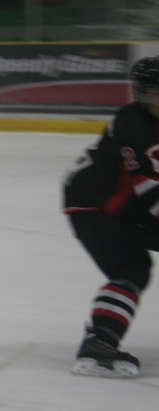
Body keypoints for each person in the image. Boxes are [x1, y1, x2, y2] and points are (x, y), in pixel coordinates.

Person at [63, 55, 159, 378]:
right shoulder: (136, 125)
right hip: (95, 204)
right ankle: (100, 342)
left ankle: (101, 338)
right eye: (153, 93)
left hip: (123, 207)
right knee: (131, 267)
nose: (157, 100)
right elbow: (151, 192)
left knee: (134, 268)